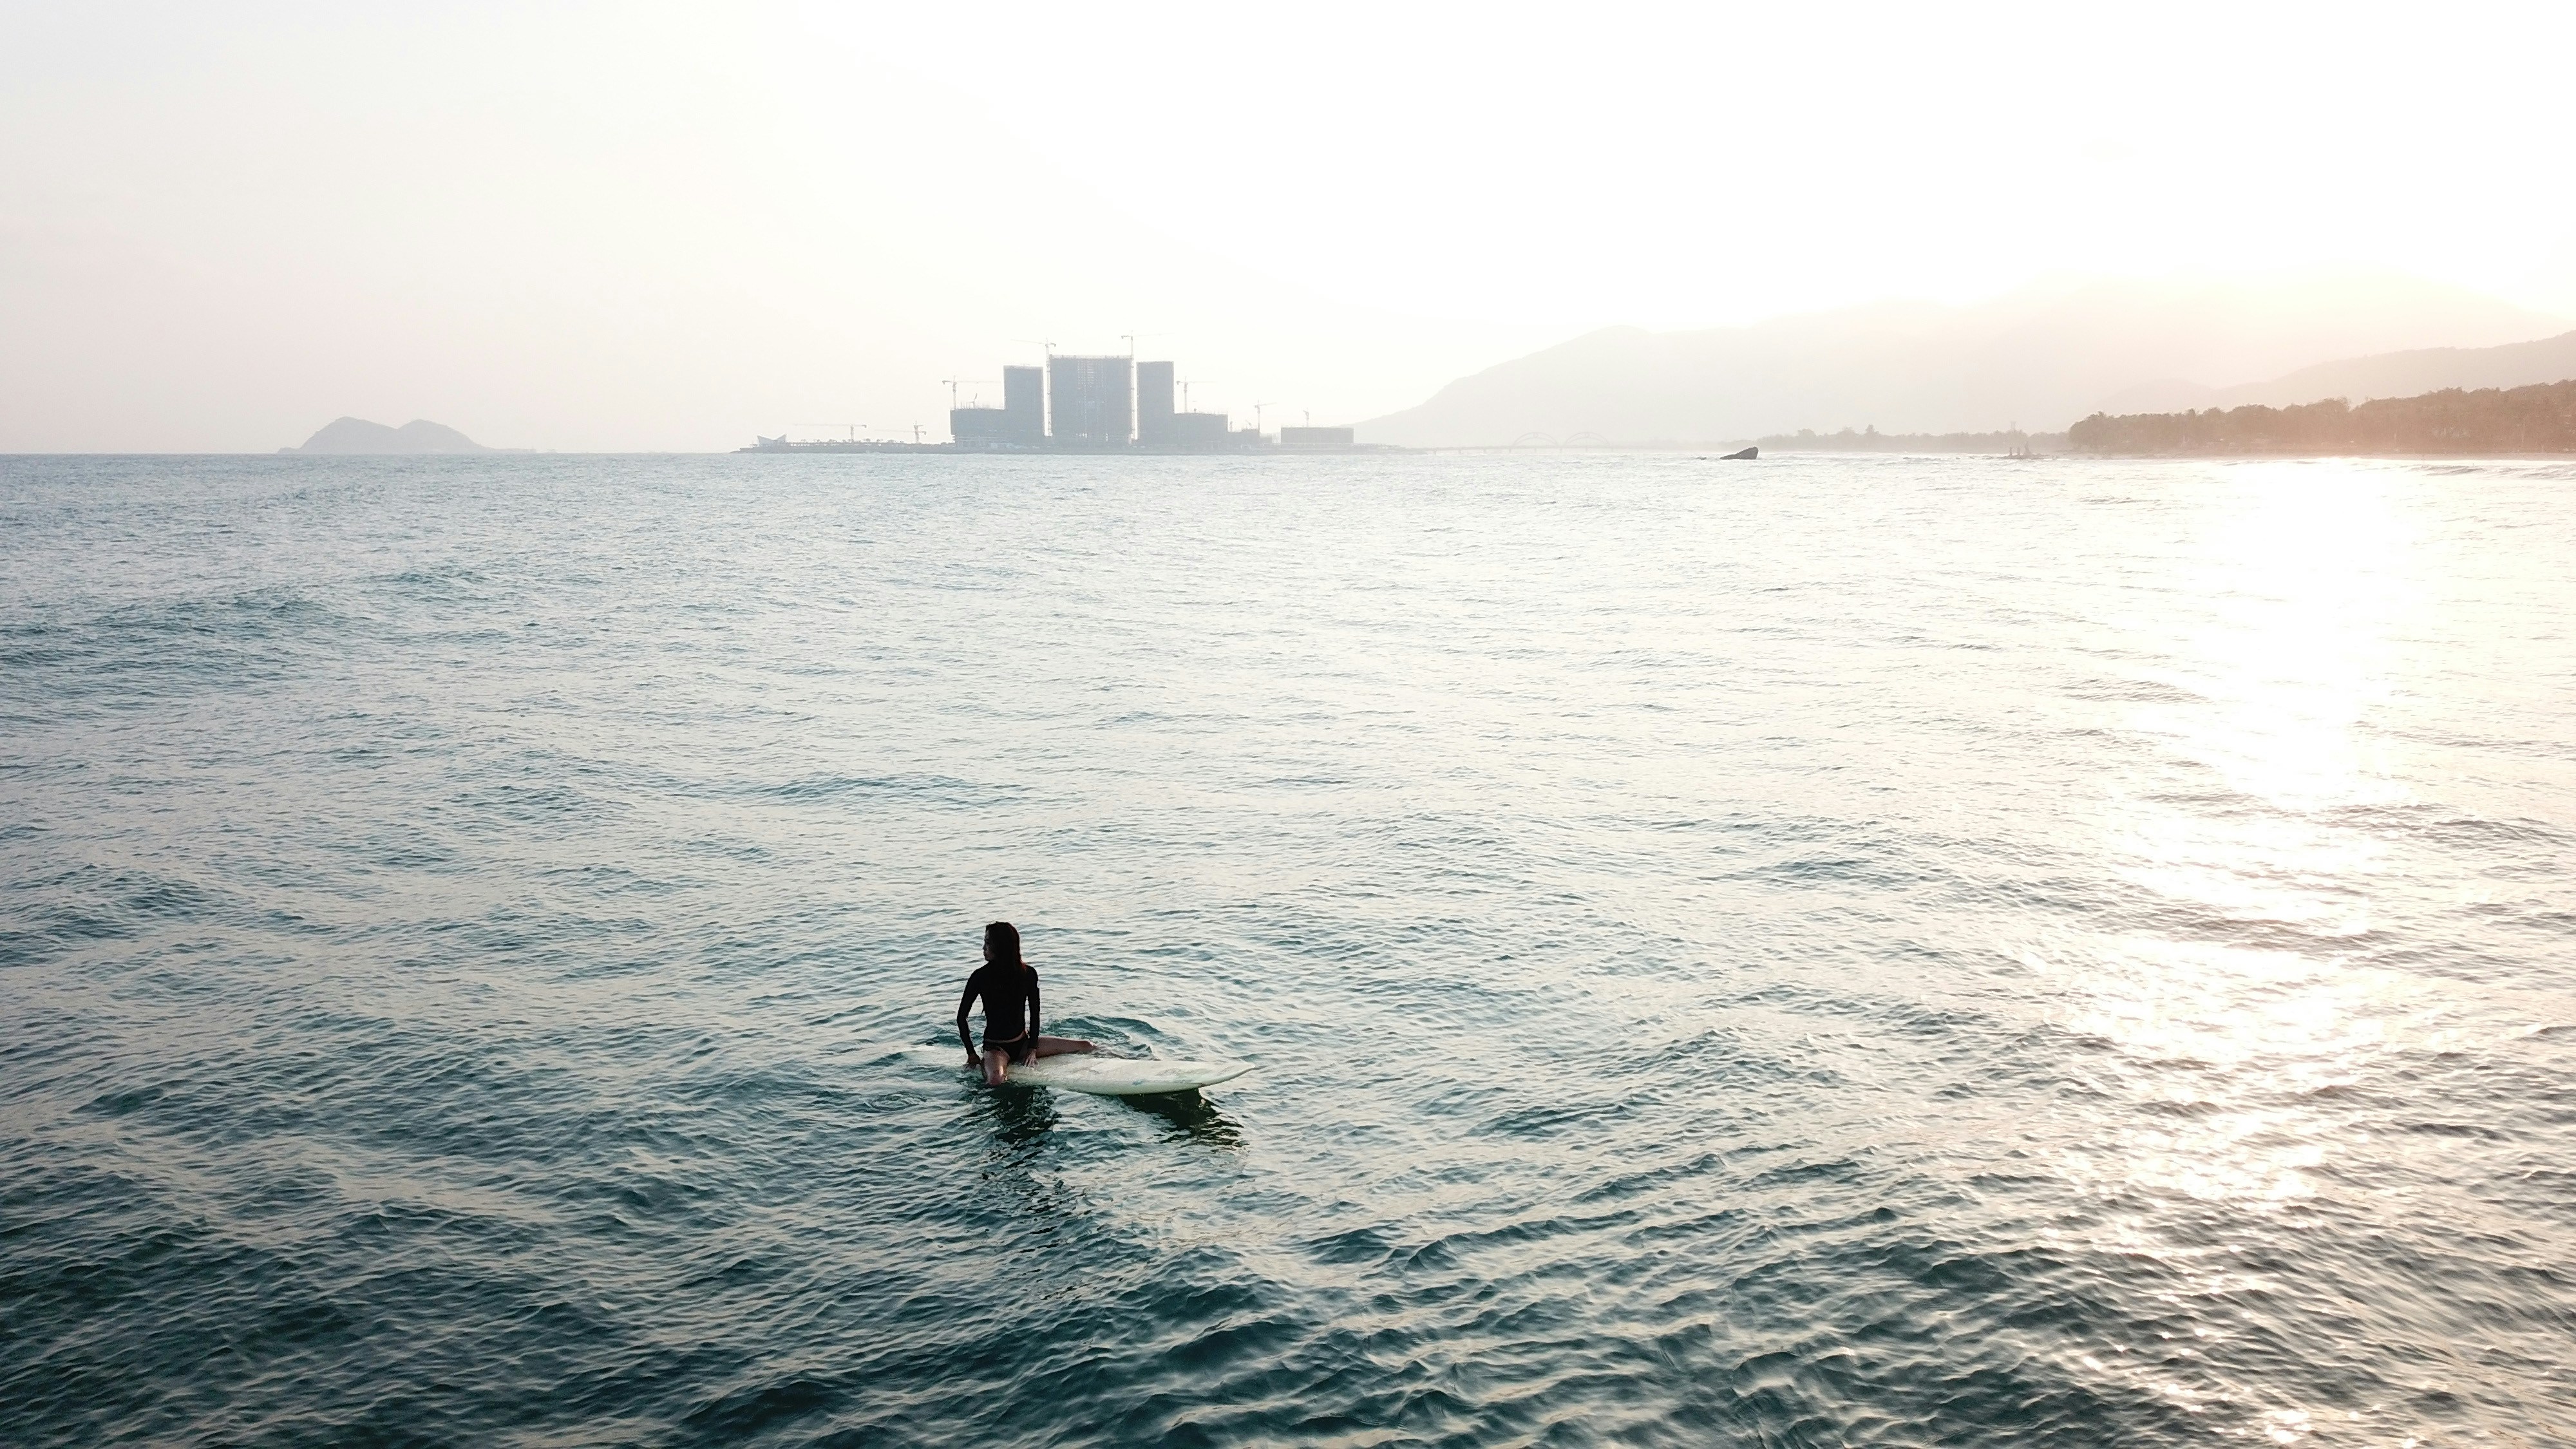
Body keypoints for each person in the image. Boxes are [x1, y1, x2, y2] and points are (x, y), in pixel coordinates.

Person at [957, 921, 1097, 1085]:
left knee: (1086, 1045)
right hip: (996, 1049)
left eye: (988, 943)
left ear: (1001, 946)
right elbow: (961, 1017)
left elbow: (1035, 1013)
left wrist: (1032, 1049)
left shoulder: (1028, 974)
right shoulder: (980, 977)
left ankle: (1121, 1058)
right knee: (996, 1080)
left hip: (1023, 1043)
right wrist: (971, 1054)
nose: (983, 948)